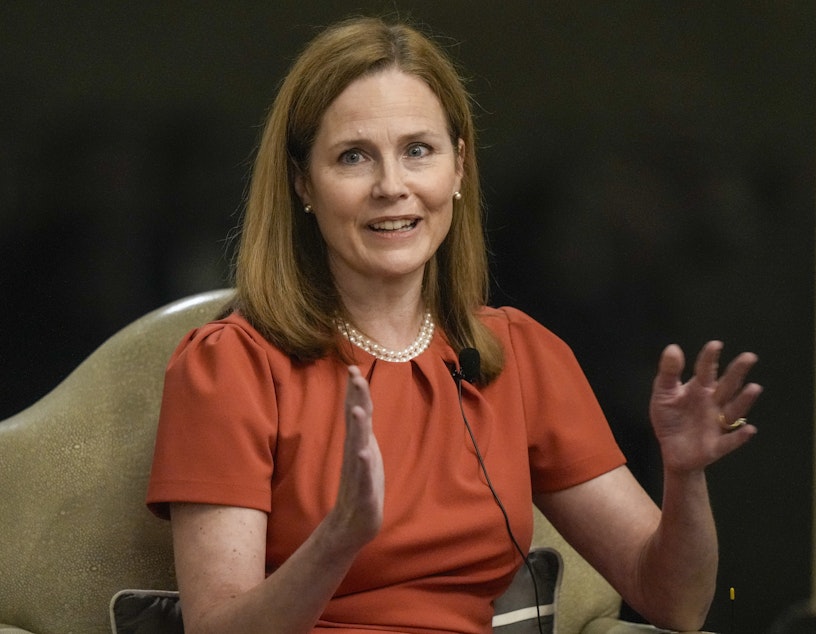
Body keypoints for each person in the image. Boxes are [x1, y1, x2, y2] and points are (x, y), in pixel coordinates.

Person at [146, 16, 762, 634]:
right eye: (354, 157)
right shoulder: (230, 366)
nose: (393, 186)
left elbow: (674, 603)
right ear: (303, 181)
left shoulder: (517, 353)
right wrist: (338, 538)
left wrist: (684, 478)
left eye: (418, 150)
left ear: (458, 167)